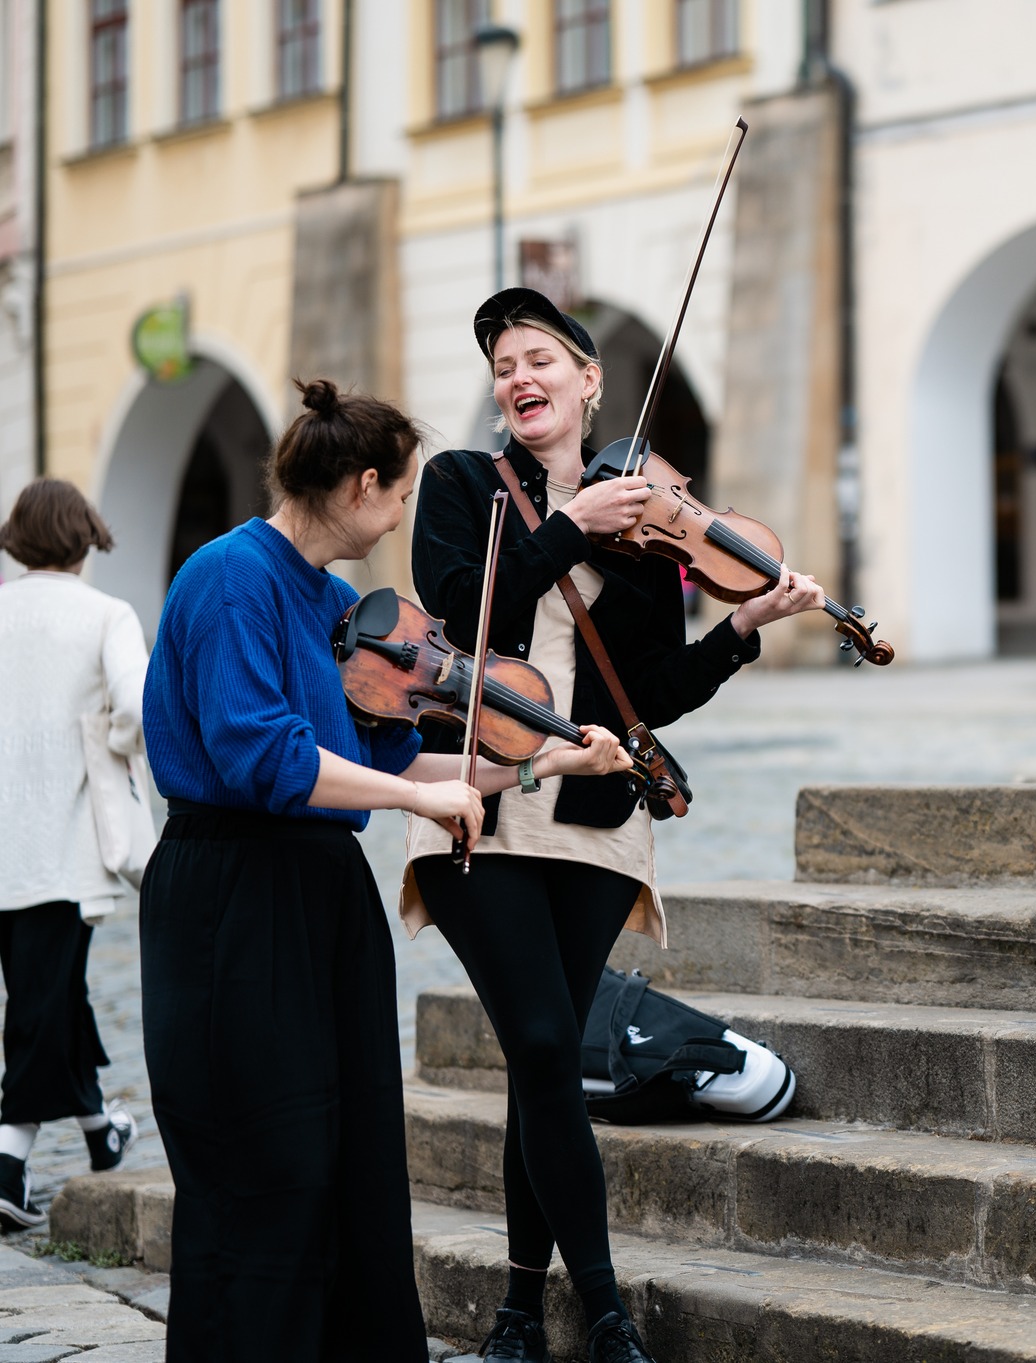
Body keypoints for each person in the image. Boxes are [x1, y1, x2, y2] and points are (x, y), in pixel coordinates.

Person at [140, 380, 630, 1362]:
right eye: (399, 492)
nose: (403, 512)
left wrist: (535, 762)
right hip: (232, 895)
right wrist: (417, 803)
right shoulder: (228, 578)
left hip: (321, 891)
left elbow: (401, 757)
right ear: (363, 484)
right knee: (265, 1164)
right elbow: (262, 756)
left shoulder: (336, 603)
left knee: (353, 1158)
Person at [404, 288, 825, 1363]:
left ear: (589, 381)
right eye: (503, 364)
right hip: (480, 798)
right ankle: (603, 1312)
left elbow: (654, 690)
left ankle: (512, 1310)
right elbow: (465, 614)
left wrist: (739, 627)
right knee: (544, 1041)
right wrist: (561, 528)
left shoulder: (645, 527)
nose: (518, 378)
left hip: (596, 815)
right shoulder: (461, 484)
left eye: (538, 357)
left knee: (538, 1065)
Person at [0, 480, 145, 1231]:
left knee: (51, 994)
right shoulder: (104, 615)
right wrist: (115, 746)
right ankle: (8, 1161)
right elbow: (140, 705)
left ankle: (101, 1130)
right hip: (61, 849)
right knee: (41, 1000)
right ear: (85, 536)